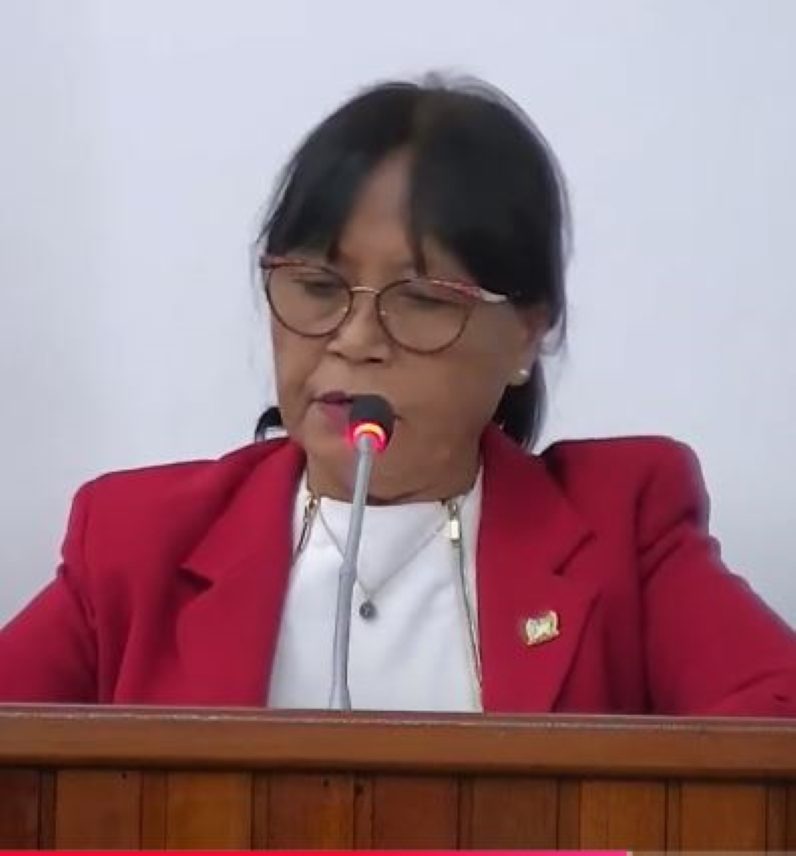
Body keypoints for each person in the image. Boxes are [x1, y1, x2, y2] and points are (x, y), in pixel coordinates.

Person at [1, 75, 794, 715]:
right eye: (316, 287)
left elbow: (772, 739)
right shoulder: (138, 545)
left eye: (420, 300)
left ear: (526, 334)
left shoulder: (624, 532)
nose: (354, 340)